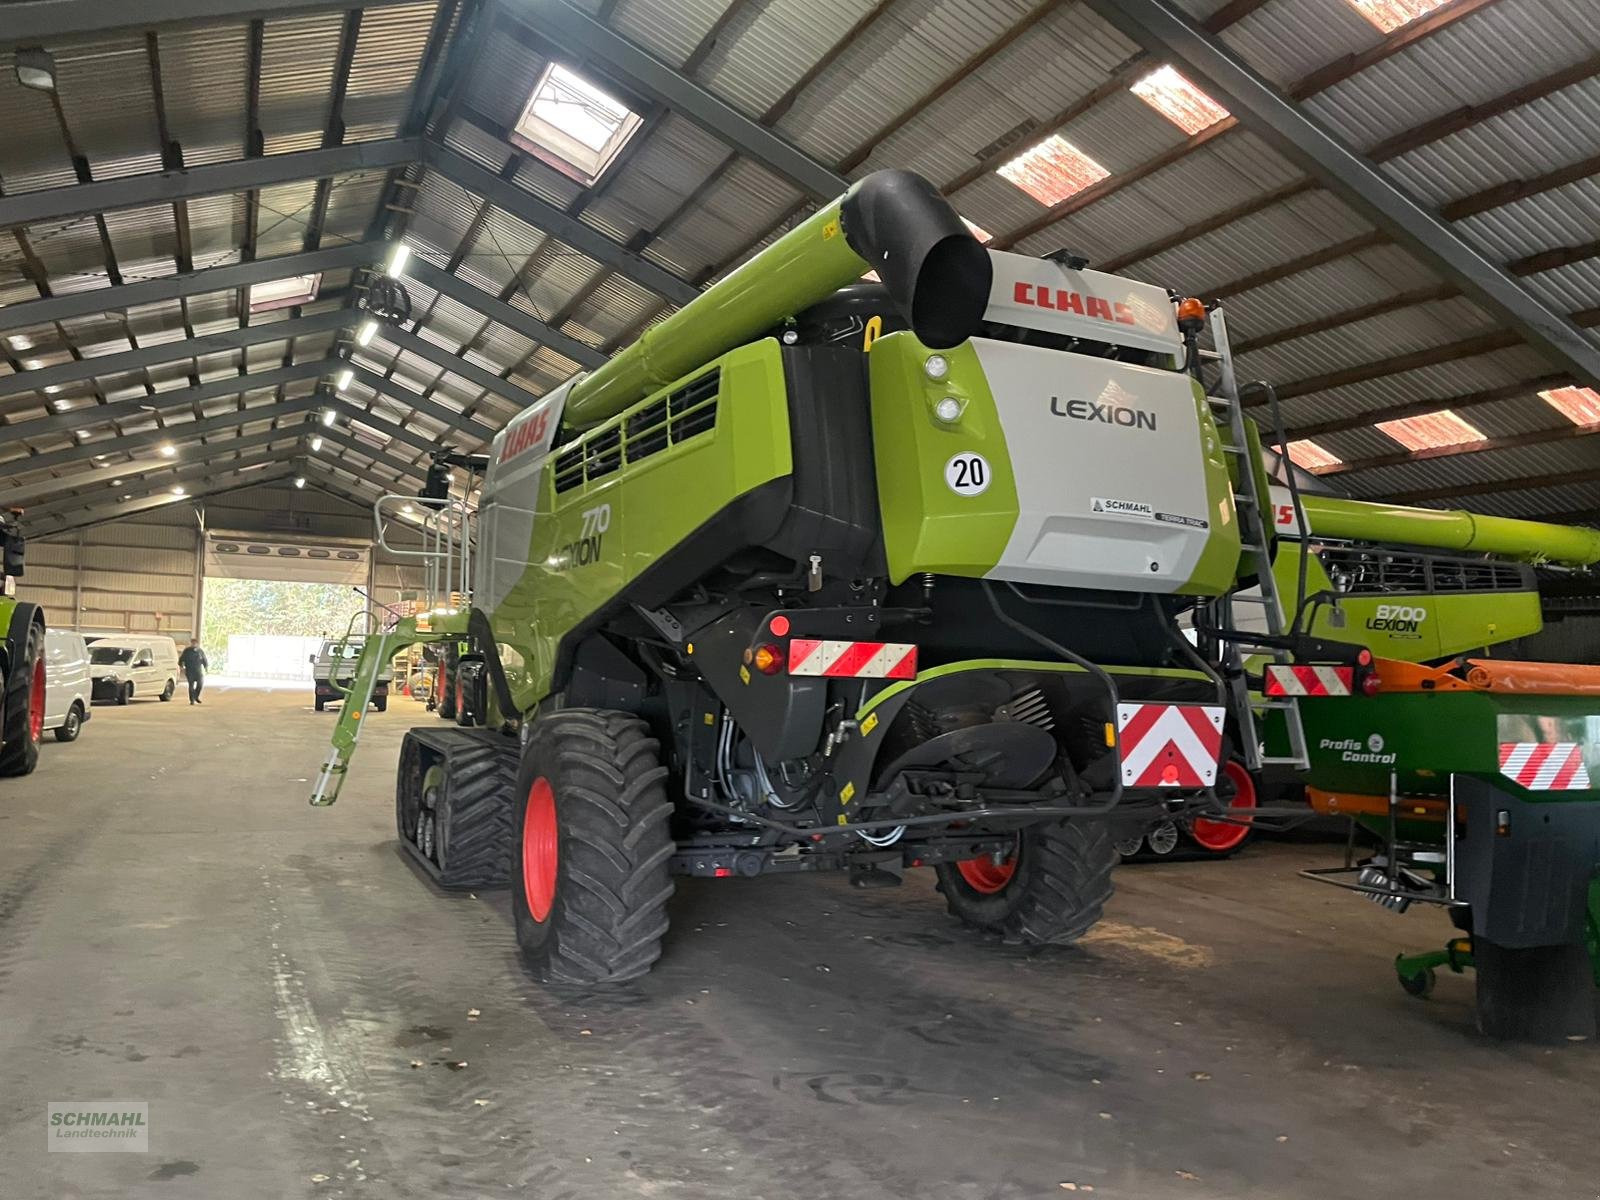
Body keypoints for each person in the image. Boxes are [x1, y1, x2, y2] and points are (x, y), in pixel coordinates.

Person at [179, 638, 208, 705]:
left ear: (197, 644)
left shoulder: (200, 651)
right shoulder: (187, 651)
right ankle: (192, 700)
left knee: (200, 684)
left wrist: (206, 666)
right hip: (190, 671)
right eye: (192, 643)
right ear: (191, 643)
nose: (194, 644)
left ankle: (196, 696)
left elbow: (204, 659)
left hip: (198, 671)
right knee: (191, 685)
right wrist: (182, 666)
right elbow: (181, 659)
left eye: (195, 643)